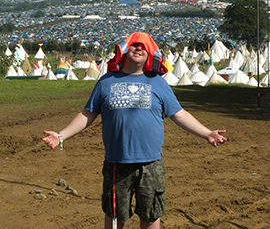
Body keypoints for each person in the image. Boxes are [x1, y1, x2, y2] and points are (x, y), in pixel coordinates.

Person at [42, 32, 227, 229]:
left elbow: (179, 114)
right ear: (124, 50)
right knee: (115, 215)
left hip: (150, 163)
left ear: (150, 55)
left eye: (143, 47)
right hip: (116, 163)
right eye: (134, 45)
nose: (138, 49)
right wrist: (61, 135)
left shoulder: (158, 82)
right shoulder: (106, 81)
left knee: (150, 214)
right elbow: (87, 114)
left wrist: (207, 133)